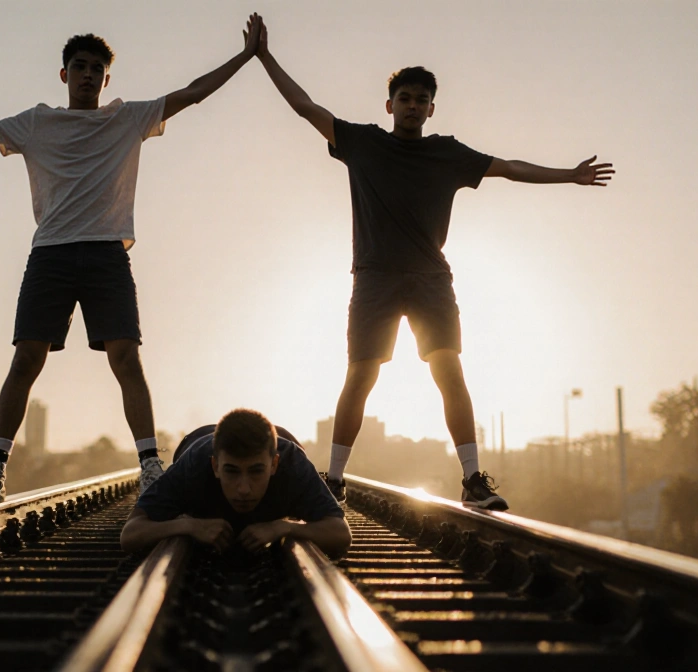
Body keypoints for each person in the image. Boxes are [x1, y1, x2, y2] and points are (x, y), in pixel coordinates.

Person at [0, 16, 265, 504]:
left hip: (107, 255)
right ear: (64, 75)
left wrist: (247, 56)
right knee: (26, 359)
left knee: (126, 358)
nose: (88, 75)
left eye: (97, 68)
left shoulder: (128, 118)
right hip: (50, 255)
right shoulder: (36, 124)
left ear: (106, 79)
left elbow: (194, 91)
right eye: (80, 67)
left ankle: (151, 468)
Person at [253, 18, 614, 510]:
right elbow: (304, 107)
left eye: (422, 100)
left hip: (430, 280)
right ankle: (334, 480)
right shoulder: (362, 143)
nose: (413, 106)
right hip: (375, 279)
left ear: (430, 109)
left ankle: (472, 481)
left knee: (450, 372)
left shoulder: (447, 153)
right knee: (361, 374)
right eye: (405, 98)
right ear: (390, 105)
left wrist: (568, 175)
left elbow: (510, 168)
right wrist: (264, 56)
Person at [120, 409, 351, 556]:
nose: (243, 488)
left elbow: (341, 534)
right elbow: (130, 534)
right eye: (232, 471)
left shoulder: (293, 466)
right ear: (215, 467)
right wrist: (189, 525)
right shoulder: (193, 467)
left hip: (279, 438)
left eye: (256, 471)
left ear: (274, 465)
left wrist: (285, 526)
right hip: (200, 439)